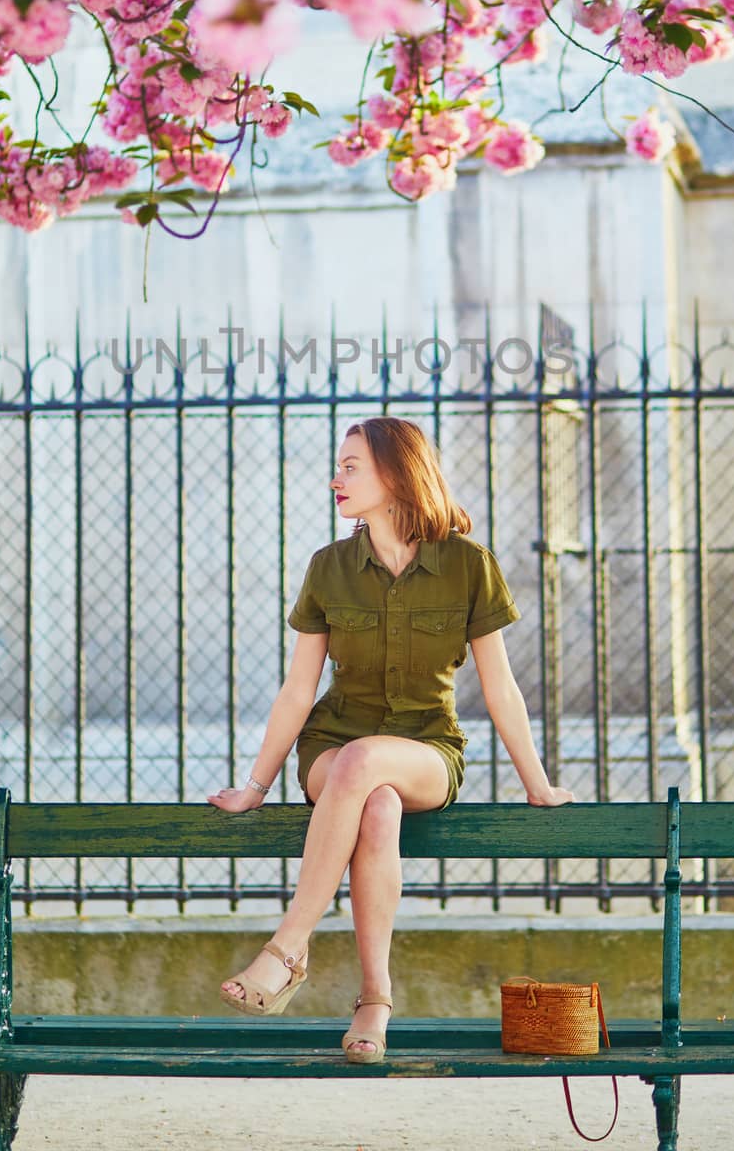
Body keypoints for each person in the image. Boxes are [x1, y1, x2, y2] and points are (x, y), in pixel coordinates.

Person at [207, 415, 574, 1063]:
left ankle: (288, 947)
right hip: (332, 748)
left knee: (370, 764)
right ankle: (374, 1000)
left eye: (350, 466)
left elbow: (500, 689)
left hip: (427, 750)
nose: (335, 479)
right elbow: (298, 690)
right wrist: (255, 787)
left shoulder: (468, 565)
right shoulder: (329, 568)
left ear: (395, 473)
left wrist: (536, 785)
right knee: (369, 794)